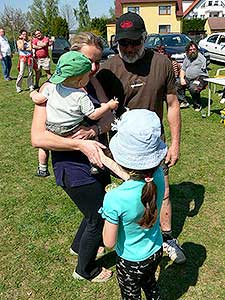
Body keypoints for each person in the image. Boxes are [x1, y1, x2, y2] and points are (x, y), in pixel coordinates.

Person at [96, 12, 186, 264]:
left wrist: (175, 144)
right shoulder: (108, 69)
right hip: (120, 148)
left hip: (153, 146)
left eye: (135, 41)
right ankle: (115, 237)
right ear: (117, 42)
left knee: (163, 192)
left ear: (145, 38)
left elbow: (172, 105)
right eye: (124, 43)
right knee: (121, 194)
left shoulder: (162, 63)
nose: (130, 47)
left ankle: (167, 238)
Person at [31, 32, 116, 282]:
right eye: (88, 60)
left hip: (97, 157)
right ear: (72, 55)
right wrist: (79, 145)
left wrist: (95, 130)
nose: (93, 67)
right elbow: (38, 138)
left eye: (98, 61)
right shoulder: (51, 88)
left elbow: (108, 117)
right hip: (72, 163)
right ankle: (85, 270)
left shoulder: (94, 82)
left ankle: (79, 246)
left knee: (96, 208)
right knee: (99, 214)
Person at [99, 109, 167, 299]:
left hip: (131, 261)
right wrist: (104, 159)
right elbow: (134, 178)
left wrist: (107, 214)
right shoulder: (158, 177)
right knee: (150, 284)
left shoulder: (114, 199)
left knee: (131, 296)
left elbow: (109, 242)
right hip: (156, 250)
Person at [30, 50, 118, 176]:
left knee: (44, 148)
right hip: (71, 128)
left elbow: (39, 99)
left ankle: (42, 167)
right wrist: (109, 105)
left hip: (51, 128)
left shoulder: (52, 87)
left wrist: (32, 93)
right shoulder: (80, 96)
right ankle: (94, 164)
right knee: (91, 132)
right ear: (81, 81)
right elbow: (93, 115)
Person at [177, 41, 208, 112]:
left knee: (193, 87)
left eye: (194, 49)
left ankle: (197, 104)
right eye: (190, 50)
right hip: (188, 78)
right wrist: (182, 78)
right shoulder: (187, 58)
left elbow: (204, 62)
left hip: (201, 77)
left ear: (197, 50)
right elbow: (183, 70)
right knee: (177, 83)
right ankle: (183, 102)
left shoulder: (200, 56)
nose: (192, 51)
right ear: (187, 51)